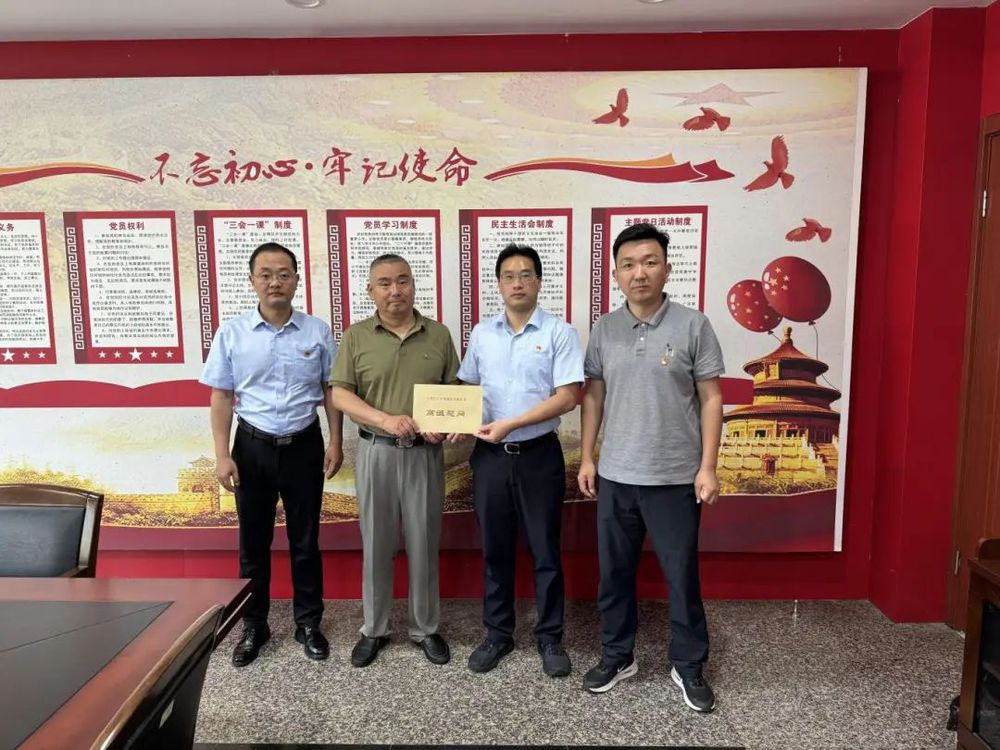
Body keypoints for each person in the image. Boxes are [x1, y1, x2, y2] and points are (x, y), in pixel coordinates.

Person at [577, 223, 724, 712]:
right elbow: (593, 395)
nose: (639, 273)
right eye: (628, 265)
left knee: (681, 576)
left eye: (649, 262)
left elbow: (711, 398)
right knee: (614, 575)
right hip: (617, 475)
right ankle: (618, 655)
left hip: (674, 478)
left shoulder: (694, 325)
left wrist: (707, 467)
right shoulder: (604, 328)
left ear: (666, 268)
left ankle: (689, 664)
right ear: (616, 274)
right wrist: (588, 456)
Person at [201, 241, 343, 667]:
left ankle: (308, 623)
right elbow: (221, 396)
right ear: (252, 281)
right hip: (252, 448)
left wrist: (336, 441)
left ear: (297, 279)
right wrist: (222, 454)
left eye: (284, 274)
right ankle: (254, 625)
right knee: (253, 544)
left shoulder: (317, 331)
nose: (275, 282)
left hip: (304, 445)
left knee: (306, 541)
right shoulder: (232, 333)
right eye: (265, 274)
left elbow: (331, 391)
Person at [457, 243, 583, 677]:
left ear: (539, 281)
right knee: (495, 549)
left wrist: (511, 423)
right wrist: (458, 419)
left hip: (538, 456)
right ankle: (498, 634)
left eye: (526, 274)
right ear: (498, 284)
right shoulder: (482, 334)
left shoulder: (559, 333)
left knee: (545, 550)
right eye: (509, 276)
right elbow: (469, 388)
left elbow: (567, 397)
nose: (517, 283)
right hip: (490, 458)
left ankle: (550, 637)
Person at [330, 253, 459, 667]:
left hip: (424, 454)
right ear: (371, 291)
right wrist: (384, 419)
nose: (395, 290)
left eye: (403, 281)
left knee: (424, 542)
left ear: (414, 285)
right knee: (376, 543)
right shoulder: (356, 337)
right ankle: (374, 629)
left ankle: (425, 628)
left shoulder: (438, 334)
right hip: (376, 452)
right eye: (384, 283)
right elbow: (340, 394)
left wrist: (443, 424)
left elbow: (453, 392)